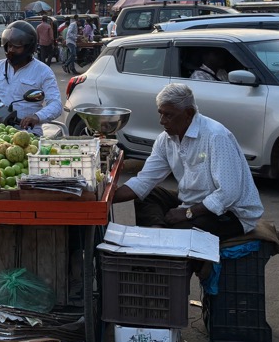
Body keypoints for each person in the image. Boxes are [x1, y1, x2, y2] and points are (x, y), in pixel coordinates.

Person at [113, 83, 263, 240]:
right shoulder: (166, 140)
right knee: (147, 195)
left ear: (189, 113)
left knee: (180, 231)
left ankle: (161, 239)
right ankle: (156, 237)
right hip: (191, 202)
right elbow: (144, 181)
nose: (162, 121)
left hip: (232, 213)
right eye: (160, 114)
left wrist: (187, 213)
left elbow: (229, 193)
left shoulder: (215, 136)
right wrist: (106, 198)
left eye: (169, 115)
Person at [0, 21, 62, 131]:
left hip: (28, 133)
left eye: (16, 47)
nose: (11, 50)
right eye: (9, 46)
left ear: (28, 48)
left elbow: (56, 104)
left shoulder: (43, 71)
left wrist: (37, 117)